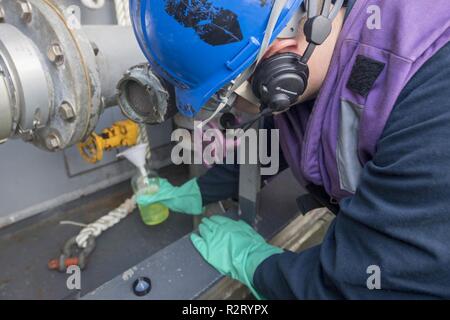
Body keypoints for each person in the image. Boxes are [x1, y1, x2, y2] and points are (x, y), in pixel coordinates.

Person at [131, 0, 450, 299]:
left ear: (281, 61)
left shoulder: (433, 97)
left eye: (224, 97)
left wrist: (255, 264)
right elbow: (289, 132)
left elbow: (382, 287)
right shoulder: (319, 62)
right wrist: (202, 190)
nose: (236, 111)